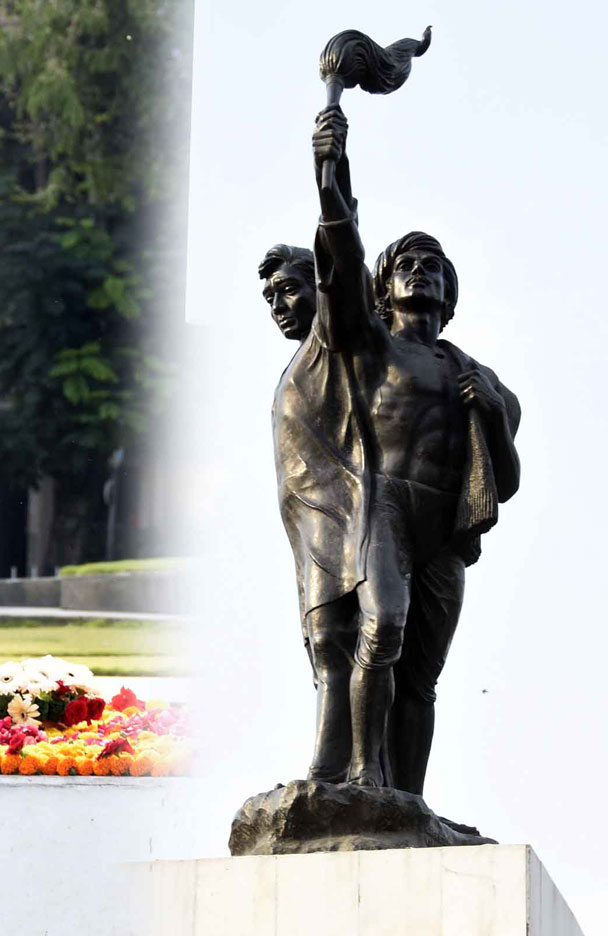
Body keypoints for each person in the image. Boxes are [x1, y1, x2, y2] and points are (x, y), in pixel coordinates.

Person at [272, 106, 520, 792]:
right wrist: (331, 171)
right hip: (381, 508)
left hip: (444, 529)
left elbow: (505, 482)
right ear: (385, 289)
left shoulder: (480, 378)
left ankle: (406, 801)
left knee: (423, 679)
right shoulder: (371, 350)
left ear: (451, 293)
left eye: (434, 267)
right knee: (381, 628)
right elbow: (342, 254)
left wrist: (492, 415)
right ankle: (361, 773)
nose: (421, 273)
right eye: (407, 265)